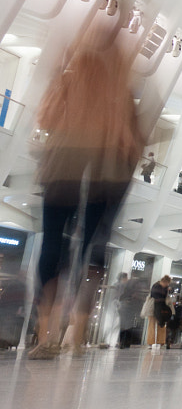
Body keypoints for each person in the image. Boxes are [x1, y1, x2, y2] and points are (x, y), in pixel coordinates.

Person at [29, 27, 143, 359]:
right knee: (88, 253)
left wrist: (57, 75)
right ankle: (74, 334)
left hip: (60, 171)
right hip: (97, 179)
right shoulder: (114, 98)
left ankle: (45, 333)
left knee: (52, 245)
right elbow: (126, 141)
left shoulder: (68, 80)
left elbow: (45, 117)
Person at [146, 275, 172, 348]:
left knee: (160, 324)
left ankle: (159, 341)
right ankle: (152, 342)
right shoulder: (156, 287)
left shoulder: (161, 287)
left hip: (161, 308)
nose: (166, 285)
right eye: (166, 284)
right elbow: (155, 295)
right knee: (153, 324)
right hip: (154, 307)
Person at [114, 273, 138, 349]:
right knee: (128, 325)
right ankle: (126, 342)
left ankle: (122, 342)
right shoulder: (126, 286)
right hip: (127, 307)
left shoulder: (117, 285)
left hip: (122, 307)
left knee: (123, 324)